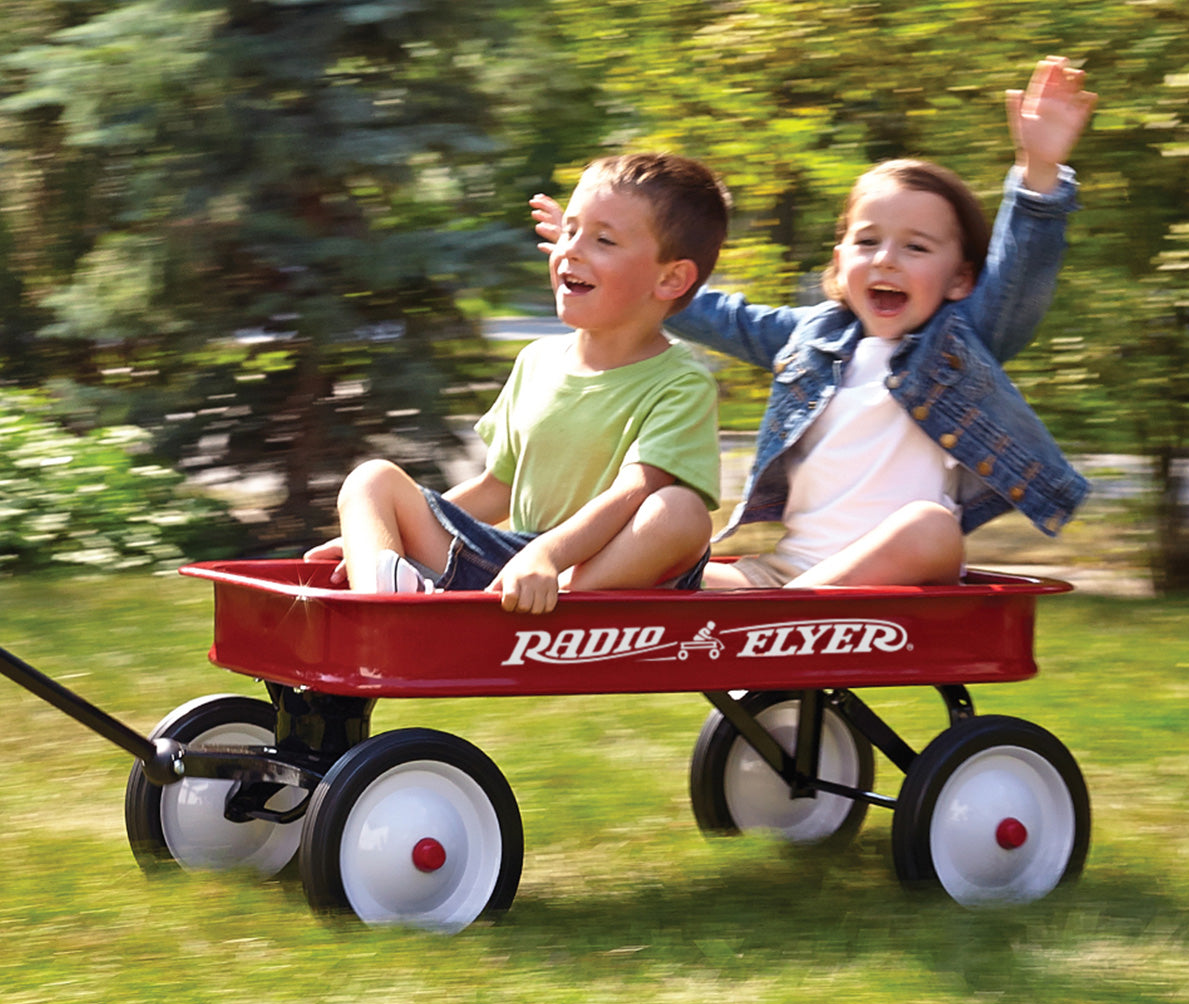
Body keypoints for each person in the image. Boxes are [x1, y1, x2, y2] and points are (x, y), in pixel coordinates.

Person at [530, 55, 1096, 589]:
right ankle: (541, 584)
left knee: (931, 525)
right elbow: (722, 317)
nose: (885, 260)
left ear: (960, 280)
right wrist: (619, 264)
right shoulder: (813, 338)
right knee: (664, 559)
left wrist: (1038, 172)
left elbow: (1021, 279)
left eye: (916, 248)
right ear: (839, 258)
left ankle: (784, 618)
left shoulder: (961, 341)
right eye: (867, 241)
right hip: (786, 572)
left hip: (901, 562)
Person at [305, 152, 731, 613]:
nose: (570, 249)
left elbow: (635, 492)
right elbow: (498, 488)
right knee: (372, 481)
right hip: (514, 565)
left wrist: (547, 557)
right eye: (569, 231)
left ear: (671, 279)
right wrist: (379, 537)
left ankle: (556, 604)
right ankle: (384, 601)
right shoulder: (537, 362)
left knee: (680, 513)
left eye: (603, 240)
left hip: (607, 571)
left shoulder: (680, 382)